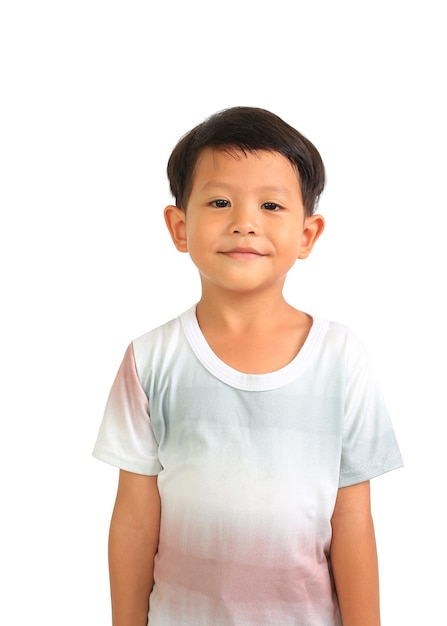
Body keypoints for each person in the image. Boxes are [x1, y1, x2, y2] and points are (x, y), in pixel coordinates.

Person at [93, 106, 403, 626]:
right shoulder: (151, 359)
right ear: (179, 227)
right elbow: (134, 520)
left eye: (270, 205)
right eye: (219, 201)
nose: (244, 222)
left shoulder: (340, 358)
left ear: (307, 234)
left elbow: (352, 520)